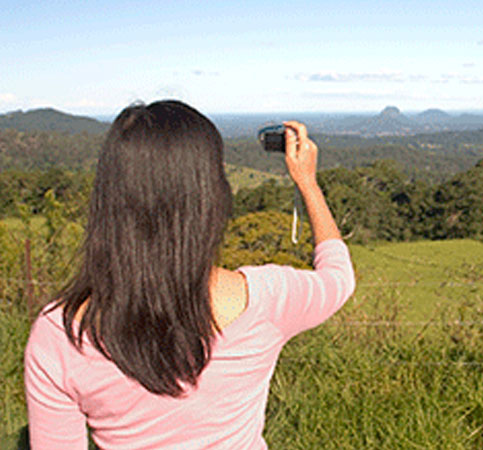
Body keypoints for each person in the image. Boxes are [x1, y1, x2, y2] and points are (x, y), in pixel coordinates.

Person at [23, 100, 355, 449]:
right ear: (212, 198)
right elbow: (338, 276)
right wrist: (308, 184)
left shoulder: (62, 332)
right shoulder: (266, 299)